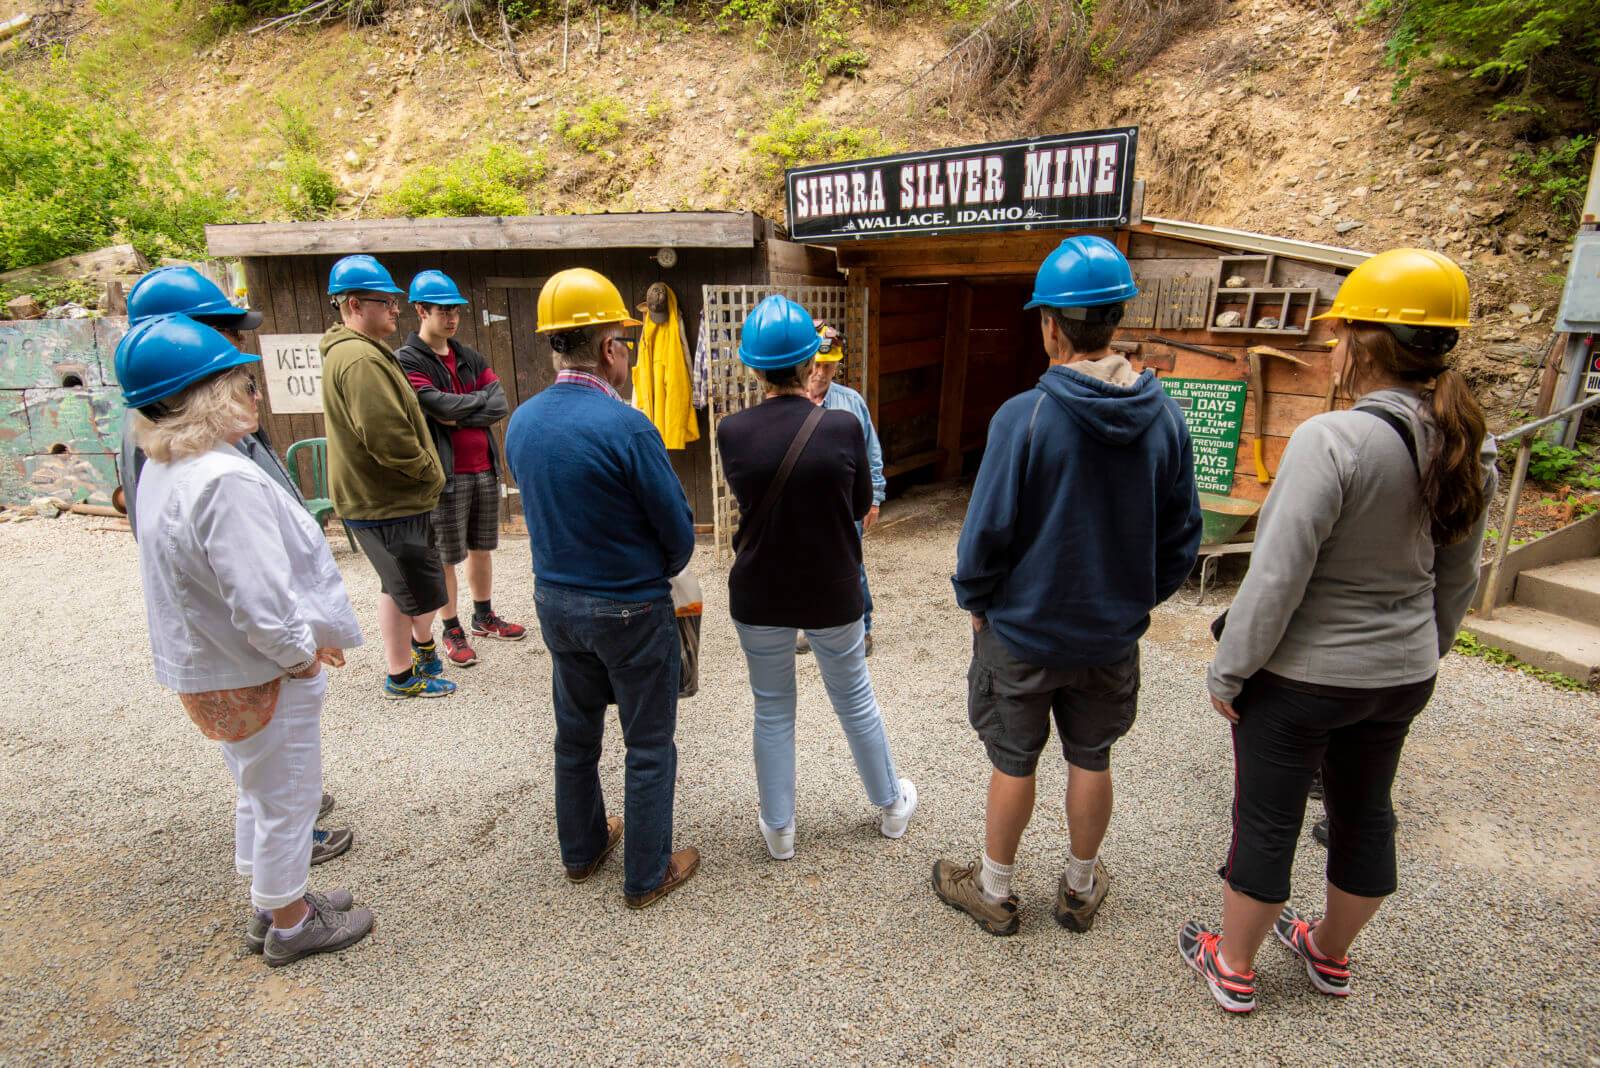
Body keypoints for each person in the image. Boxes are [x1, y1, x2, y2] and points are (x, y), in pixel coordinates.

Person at [1181, 248, 1494, 1014]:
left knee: (1268, 816)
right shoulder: (1468, 445)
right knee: (1365, 811)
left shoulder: (1334, 441)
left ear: (1361, 342)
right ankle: (1328, 952)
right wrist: (1421, 653)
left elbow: (1278, 577)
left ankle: (1235, 964)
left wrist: (1230, 670)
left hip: (1306, 678)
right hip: (1402, 673)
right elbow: (1458, 579)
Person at [933, 235, 1202, 937]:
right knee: (1092, 755)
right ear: (1114, 320)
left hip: (1022, 633)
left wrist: (978, 604)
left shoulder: (1024, 417)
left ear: (1050, 324)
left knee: (1013, 759)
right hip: (1109, 636)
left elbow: (984, 536)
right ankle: (1080, 887)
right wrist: (1135, 597)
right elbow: (1182, 537)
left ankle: (994, 891)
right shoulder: (1165, 417)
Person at [117, 314, 373, 967]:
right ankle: (291, 923)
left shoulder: (168, 469)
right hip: (256, 668)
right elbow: (260, 602)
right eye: (244, 384)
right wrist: (301, 655)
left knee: (259, 787)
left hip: (212, 668)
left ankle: (273, 900)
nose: (257, 395)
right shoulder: (222, 480)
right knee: (289, 791)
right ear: (211, 398)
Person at [503, 267, 700, 909]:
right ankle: (647, 874)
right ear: (611, 349)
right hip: (630, 607)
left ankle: (582, 850)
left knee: (576, 734)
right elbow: (678, 538)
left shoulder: (524, 423)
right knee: (647, 744)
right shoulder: (629, 427)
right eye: (626, 341)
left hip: (556, 603)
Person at [716, 295, 917, 863]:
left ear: (753, 367)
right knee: (854, 698)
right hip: (832, 585)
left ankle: (779, 828)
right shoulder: (842, 426)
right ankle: (890, 805)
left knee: (772, 705)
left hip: (760, 588)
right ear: (812, 362)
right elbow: (858, 505)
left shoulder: (733, 433)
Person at [319, 254, 454, 701]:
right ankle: (402, 675)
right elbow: (386, 436)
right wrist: (429, 473)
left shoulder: (362, 352)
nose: (397, 308)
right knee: (411, 588)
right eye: (386, 301)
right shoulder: (360, 360)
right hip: (388, 500)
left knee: (397, 585)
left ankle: (414, 659)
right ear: (355, 305)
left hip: (385, 499)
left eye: (396, 301)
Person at [396, 269, 526, 669]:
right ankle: (452, 627)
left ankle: (483, 615)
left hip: (483, 466)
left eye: (455, 311)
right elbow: (433, 406)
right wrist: (472, 405)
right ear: (420, 310)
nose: (451, 318)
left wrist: (458, 412)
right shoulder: (408, 358)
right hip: (446, 473)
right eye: (442, 311)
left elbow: (499, 403)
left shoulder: (469, 355)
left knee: (482, 548)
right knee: (445, 556)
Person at [799, 323, 885, 657]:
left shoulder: (851, 403)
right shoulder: (792, 404)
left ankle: (862, 628)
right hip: (805, 506)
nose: (821, 372)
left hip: (846, 504)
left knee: (852, 567)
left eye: (829, 365)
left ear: (838, 365)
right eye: (817, 365)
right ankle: (814, 628)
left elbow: (871, 452)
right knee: (807, 566)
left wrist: (874, 500)